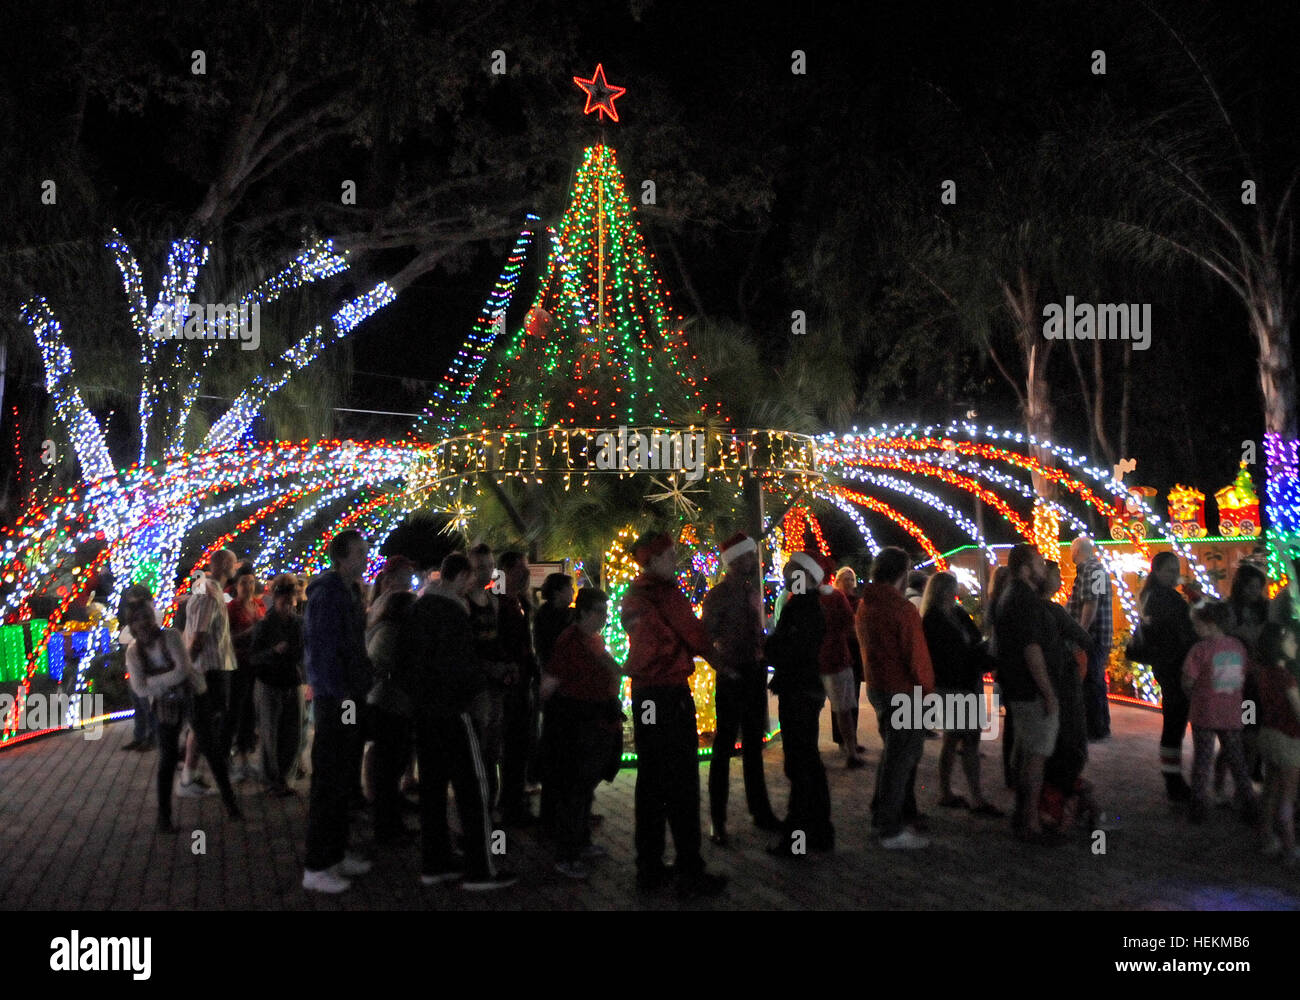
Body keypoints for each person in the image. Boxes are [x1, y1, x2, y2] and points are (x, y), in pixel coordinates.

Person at [621, 530, 726, 897]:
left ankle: (648, 866)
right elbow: (696, 636)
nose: (676, 562)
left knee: (650, 779)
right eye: (669, 556)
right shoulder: (666, 595)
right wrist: (726, 665)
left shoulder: (633, 596)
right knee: (682, 780)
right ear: (652, 560)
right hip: (669, 695)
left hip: (645, 695)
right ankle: (689, 870)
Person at [406, 552, 516, 890]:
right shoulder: (452, 612)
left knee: (434, 788)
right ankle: (482, 867)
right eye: (470, 577)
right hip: (454, 710)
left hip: (425, 712)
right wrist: (476, 693)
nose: (474, 583)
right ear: (459, 577)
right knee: (473, 786)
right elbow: (461, 664)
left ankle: (435, 862)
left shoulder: (420, 608)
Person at [124, 596, 240, 831]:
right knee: (166, 759)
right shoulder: (133, 652)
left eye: (147, 616)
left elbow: (183, 670)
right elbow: (139, 687)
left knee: (211, 750)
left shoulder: (171, 636)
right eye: (138, 620)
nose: (145, 623)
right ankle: (164, 818)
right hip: (166, 703)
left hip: (193, 695)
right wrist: (167, 679)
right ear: (132, 625)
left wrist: (155, 681)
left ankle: (231, 805)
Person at [301, 530, 374, 894]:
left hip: (349, 696)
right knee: (329, 779)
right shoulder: (328, 594)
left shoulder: (349, 591)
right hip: (337, 700)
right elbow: (325, 653)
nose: (366, 557)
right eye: (360, 552)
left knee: (344, 777)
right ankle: (317, 864)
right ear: (342, 557)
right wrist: (345, 699)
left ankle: (335, 852)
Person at [701, 532, 781, 846]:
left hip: (752, 673)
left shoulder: (751, 590)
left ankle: (759, 811)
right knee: (723, 748)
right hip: (734, 675)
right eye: (747, 557)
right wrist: (724, 667)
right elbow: (706, 636)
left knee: (752, 745)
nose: (752, 561)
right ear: (734, 560)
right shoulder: (719, 594)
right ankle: (717, 819)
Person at [857, 546, 936, 849]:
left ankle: (883, 812)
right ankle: (889, 826)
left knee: (892, 754)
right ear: (902, 574)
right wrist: (927, 689)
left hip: (879, 687)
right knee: (901, 757)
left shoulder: (866, 605)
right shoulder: (902, 610)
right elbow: (916, 658)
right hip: (904, 691)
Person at [541, 588, 622, 879]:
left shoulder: (593, 639)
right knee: (574, 790)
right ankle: (567, 853)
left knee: (584, 788)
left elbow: (612, 669)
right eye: (600, 611)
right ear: (585, 612)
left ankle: (581, 842)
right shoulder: (570, 641)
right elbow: (549, 685)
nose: (605, 616)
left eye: (606, 610)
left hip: (597, 720)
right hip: (579, 723)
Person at [993, 544, 1062, 844]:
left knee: (1027, 754)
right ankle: (1030, 823)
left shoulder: (1012, 595)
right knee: (1036, 756)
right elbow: (1031, 648)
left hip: (1018, 687)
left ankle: (1023, 816)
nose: (1043, 567)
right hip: (1031, 690)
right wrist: (1048, 691)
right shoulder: (1025, 600)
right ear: (1024, 568)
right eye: (1038, 563)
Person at [766, 552, 832, 855]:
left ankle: (799, 838)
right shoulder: (804, 606)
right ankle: (819, 832)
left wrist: (769, 647)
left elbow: (788, 649)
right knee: (808, 762)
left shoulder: (802, 609)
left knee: (800, 763)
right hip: (803, 688)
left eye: (792, 573)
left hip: (799, 689)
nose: (786, 578)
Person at [921, 571, 1002, 817]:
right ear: (944, 590)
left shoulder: (955, 613)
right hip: (953, 685)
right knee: (961, 739)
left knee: (960, 739)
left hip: (967, 682)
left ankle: (956, 793)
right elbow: (945, 655)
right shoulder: (933, 619)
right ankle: (969, 796)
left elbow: (973, 638)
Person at [1183, 600, 1260, 825]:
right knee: (1237, 760)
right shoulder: (1238, 647)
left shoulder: (1200, 650)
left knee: (1202, 761)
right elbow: (1244, 676)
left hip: (1204, 712)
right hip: (1231, 713)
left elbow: (1188, 680)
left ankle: (1198, 807)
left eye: (1197, 624)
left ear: (1209, 624)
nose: (1195, 629)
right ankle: (1250, 804)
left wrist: (1191, 693)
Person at [1039, 560, 1098, 830]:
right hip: (1063, 684)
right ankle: (1059, 806)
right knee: (1070, 744)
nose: (1061, 580)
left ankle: (1050, 804)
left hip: (1047, 686)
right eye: (1056, 575)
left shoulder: (1030, 608)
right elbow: (1083, 637)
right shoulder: (1051, 610)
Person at [1137, 552, 1197, 802]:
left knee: (1174, 722)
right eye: (1169, 570)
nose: (1174, 574)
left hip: (1167, 666)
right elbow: (1182, 630)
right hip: (1175, 667)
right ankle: (1173, 779)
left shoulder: (1154, 595)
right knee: (1174, 723)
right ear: (1157, 571)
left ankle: (1172, 775)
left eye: (1176, 569)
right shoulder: (1166, 598)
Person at [365, 556, 417, 842]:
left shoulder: (391, 627)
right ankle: (386, 823)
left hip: (393, 702)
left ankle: (389, 811)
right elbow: (378, 665)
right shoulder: (388, 631)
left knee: (393, 760)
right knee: (387, 761)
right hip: (387, 703)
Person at [181, 550, 238, 796]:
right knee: (205, 723)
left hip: (211, 667)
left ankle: (190, 773)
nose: (236, 568)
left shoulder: (209, 590)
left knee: (204, 723)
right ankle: (188, 776)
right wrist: (188, 671)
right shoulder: (208, 592)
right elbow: (199, 636)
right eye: (234, 563)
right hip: (209, 669)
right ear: (225, 564)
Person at [249, 574, 305, 797]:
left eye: (291, 601)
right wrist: (273, 651)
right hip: (270, 682)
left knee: (293, 733)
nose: (289, 605)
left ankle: (285, 777)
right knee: (271, 734)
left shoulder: (299, 623)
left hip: (292, 681)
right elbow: (253, 657)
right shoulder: (265, 625)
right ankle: (272, 779)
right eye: (284, 600)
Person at [496, 551, 539, 826]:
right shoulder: (499, 603)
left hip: (524, 681)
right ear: (507, 571)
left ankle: (516, 799)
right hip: (508, 684)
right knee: (511, 746)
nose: (525, 573)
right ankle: (509, 805)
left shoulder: (521, 601)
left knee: (522, 743)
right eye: (520, 569)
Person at [466, 543, 509, 813]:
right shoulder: (465, 603)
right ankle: (477, 810)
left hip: (494, 685)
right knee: (478, 751)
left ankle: (488, 809)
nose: (486, 571)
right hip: (477, 686)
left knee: (492, 749)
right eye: (480, 566)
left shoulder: (492, 601)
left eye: (489, 565)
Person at [533, 572, 575, 834]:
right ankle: (552, 814)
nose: (573, 593)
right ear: (559, 591)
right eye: (570, 588)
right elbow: (551, 653)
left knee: (561, 750)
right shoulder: (551, 618)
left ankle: (560, 810)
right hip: (557, 688)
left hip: (558, 687)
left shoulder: (553, 615)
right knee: (557, 750)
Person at [1256, 622, 1300, 861]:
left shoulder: (1265, 673)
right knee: (1288, 797)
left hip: (1268, 735)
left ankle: (1266, 837)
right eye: (1292, 641)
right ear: (1280, 646)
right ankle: (1290, 847)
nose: (1296, 645)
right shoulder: (1287, 679)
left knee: (1270, 790)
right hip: (1288, 740)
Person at [817, 554, 865, 768]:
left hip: (817, 658)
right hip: (836, 657)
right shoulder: (835, 598)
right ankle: (851, 751)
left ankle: (845, 747)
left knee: (817, 707)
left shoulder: (801, 596)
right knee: (844, 707)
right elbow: (850, 624)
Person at [1066, 536, 1113, 740]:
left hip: (1092, 637)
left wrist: (1080, 634)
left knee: (1091, 682)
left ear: (1076, 551)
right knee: (1096, 681)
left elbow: (1091, 603)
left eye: (1071, 550)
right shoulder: (1097, 569)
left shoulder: (1091, 570)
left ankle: (1094, 728)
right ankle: (1101, 726)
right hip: (1098, 636)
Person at [225, 564, 264, 781]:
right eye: (243, 583)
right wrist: (250, 631)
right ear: (236, 586)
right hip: (238, 666)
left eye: (251, 582)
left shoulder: (258, 605)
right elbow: (227, 639)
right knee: (237, 711)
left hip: (256, 666)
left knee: (250, 713)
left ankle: (247, 758)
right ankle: (236, 759)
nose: (248, 586)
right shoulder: (232, 608)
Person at [117, 584, 158, 752]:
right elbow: (123, 637)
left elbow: (127, 636)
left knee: (147, 703)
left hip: (146, 666)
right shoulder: (134, 617)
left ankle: (152, 737)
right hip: (133, 665)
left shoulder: (153, 615)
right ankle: (139, 735)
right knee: (138, 703)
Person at [831, 566, 865, 754]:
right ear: (838, 581)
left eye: (852, 579)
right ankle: (842, 738)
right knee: (841, 697)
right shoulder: (835, 599)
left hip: (855, 651)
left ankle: (852, 738)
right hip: (841, 651)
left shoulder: (858, 601)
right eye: (846, 579)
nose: (850, 583)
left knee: (853, 697)